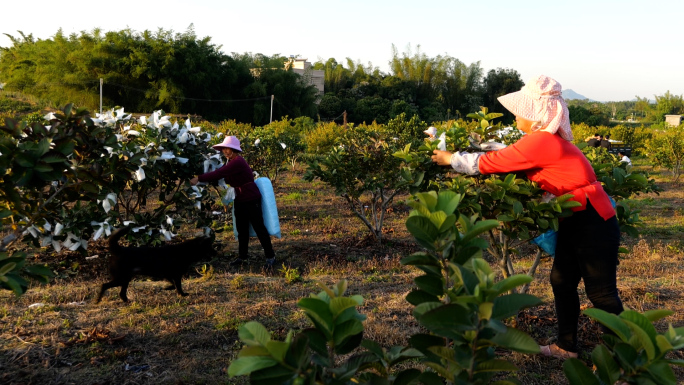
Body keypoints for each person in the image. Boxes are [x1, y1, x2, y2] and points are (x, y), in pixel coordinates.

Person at [431, 75, 623, 359]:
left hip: (590, 218)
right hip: (578, 215)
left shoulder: (542, 142)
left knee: (602, 293)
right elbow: (510, 154)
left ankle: (625, 360)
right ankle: (566, 346)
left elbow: (492, 163)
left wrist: (451, 159)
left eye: (521, 110)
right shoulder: (541, 140)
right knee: (562, 280)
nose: (516, 114)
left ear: (535, 115)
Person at [190, 136, 276, 267]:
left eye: (228, 149)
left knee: (259, 227)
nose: (225, 151)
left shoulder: (237, 162)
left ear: (234, 150)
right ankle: (243, 257)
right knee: (242, 229)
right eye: (224, 148)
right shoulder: (230, 162)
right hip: (240, 197)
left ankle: (270, 256)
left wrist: (199, 178)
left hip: (251, 198)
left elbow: (220, 173)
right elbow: (226, 177)